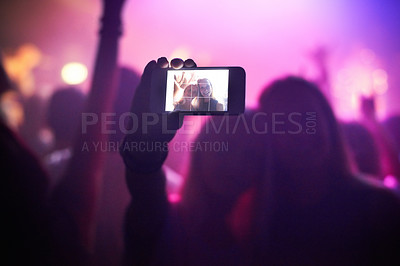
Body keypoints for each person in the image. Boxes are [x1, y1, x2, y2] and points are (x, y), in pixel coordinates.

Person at [249, 76, 400, 265]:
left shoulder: (380, 208)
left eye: (308, 118)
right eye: (283, 124)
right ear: (265, 138)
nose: (300, 133)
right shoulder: (254, 221)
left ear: (329, 123)